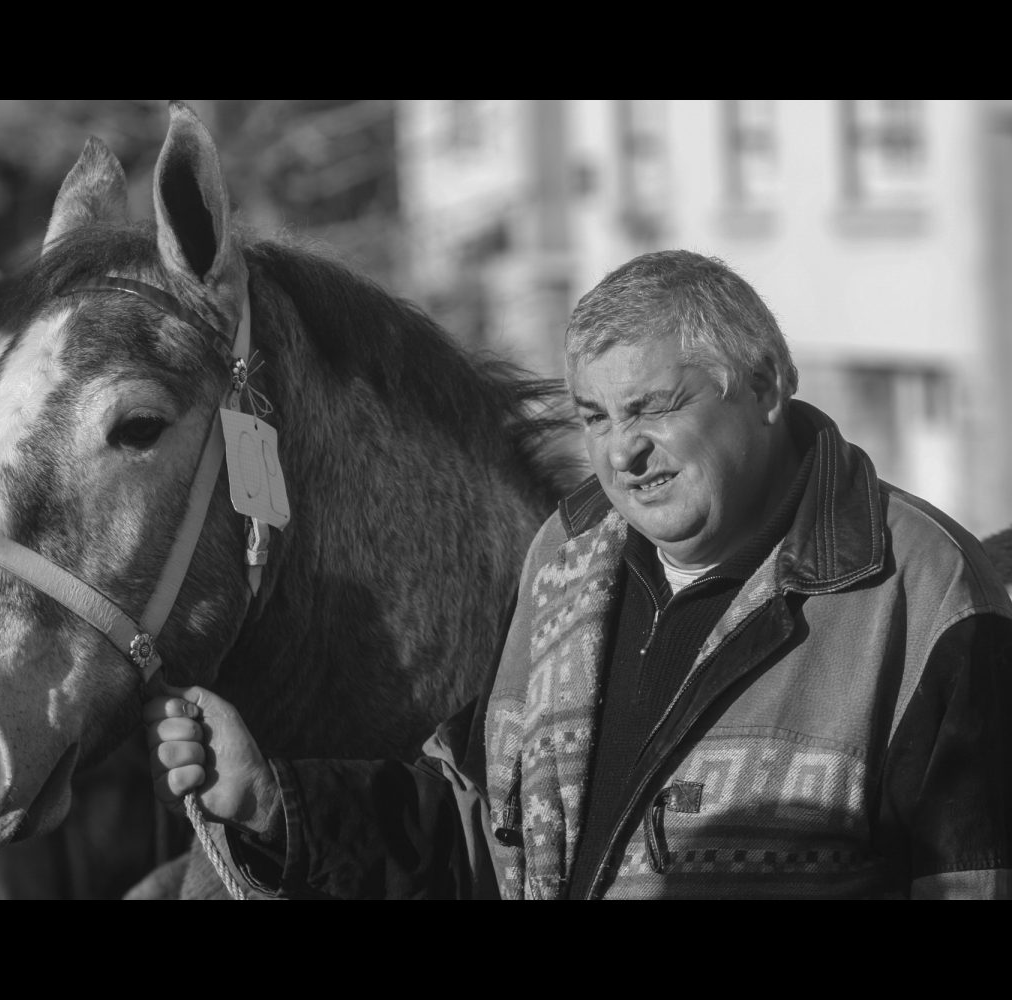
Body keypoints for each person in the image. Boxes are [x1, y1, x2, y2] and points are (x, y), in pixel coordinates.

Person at [144, 250, 1012, 899]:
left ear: (766, 387)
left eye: (653, 407)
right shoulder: (566, 559)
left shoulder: (923, 591)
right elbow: (476, 830)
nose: (621, 452)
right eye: (594, 417)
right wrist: (268, 799)